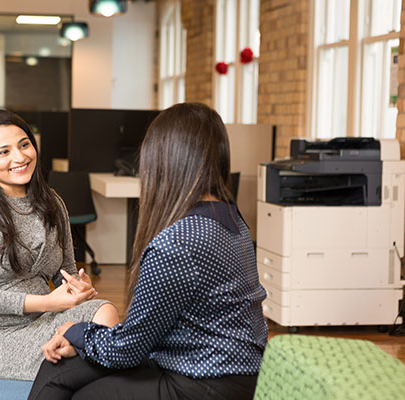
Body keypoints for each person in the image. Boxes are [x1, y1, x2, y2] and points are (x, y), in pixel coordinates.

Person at [28, 102, 268, 399]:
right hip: (236, 370)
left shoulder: (177, 242)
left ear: (164, 160)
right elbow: (148, 330)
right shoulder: (230, 217)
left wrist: (74, 331)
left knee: (75, 387)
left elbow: (128, 350)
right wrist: (81, 340)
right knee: (64, 370)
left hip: (204, 380)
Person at [0, 109, 119, 381]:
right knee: (95, 358)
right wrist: (48, 303)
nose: (20, 157)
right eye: (3, 152)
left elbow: (64, 271)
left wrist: (78, 288)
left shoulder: (52, 202)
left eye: (24, 144)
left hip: (46, 320)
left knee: (106, 311)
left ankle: (81, 351)